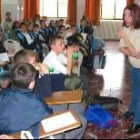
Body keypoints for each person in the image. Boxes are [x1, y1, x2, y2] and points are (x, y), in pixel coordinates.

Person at [0, 63, 53, 138]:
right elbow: (49, 114)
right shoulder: (36, 102)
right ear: (32, 84)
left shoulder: (2, 94)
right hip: (26, 134)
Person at [117, 3, 140, 135]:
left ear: (135, 16)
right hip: (135, 66)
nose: (125, 18)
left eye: (128, 15)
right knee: (135, 91)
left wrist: (125, 39)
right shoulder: (126, 28)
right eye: (124, 14)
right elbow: (121, 48)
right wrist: (132, 53)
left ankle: (137, 122)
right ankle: (131, 110)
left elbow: (135, 51)